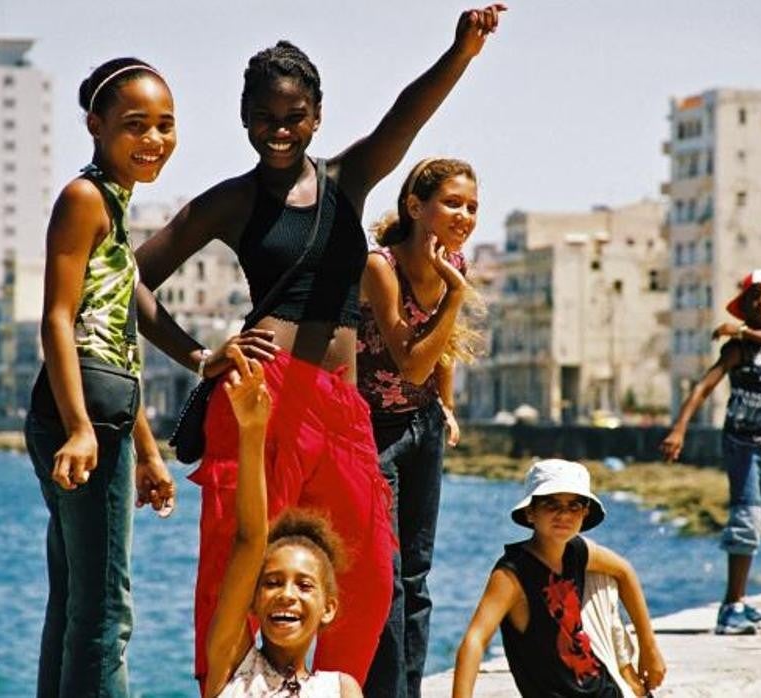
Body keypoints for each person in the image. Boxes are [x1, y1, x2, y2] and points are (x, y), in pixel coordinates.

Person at [133, 6, 506, 690]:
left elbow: (407, 118)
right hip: (262, 402)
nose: (279, 130)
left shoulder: (347, 180)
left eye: (294, 115)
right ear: (245, 116)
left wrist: (462, 52)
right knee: (238, 566)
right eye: (265, 117)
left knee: (368, 573)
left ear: (317, 116)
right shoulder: (231, 201)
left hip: (341, 408)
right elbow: (131, 280)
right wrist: (200, 355)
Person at [23, 57, 178, 697]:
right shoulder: (85, 199)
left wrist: (147, 450)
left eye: (165, 125)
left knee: (77, 601)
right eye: (135, 125)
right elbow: (57, 321)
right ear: (96, 124)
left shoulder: (113, 208)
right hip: (81, 422)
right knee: (106, 611)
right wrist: (82, 428)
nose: (153, 140)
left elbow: (114, 340)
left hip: (103, 417)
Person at [358, 157, 485, 697]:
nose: (465, 216)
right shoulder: (379, 266)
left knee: (417, 574)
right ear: (415, 206)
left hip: (422, 425)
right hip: (372, 433)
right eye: (452, 203)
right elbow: (409, 359)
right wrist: (455, 295)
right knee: (383, 578)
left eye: (472, 207)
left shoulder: (452, 260)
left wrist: (448, 405)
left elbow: (443, 346)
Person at [202, 346, 362, 698]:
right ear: (252, 601)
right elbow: (249, 539)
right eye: (272, 582)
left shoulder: (340, 688)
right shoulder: (234, 668)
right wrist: (253, 431)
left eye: (305, 586)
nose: (287, 595)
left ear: (328, 607)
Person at [659, 268, 761, 635]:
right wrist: (679, 429)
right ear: (744, 304)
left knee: (758, 519)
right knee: (746, 519)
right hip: (742, 442)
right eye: (754, 296)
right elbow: (703, 388)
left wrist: (743, 328)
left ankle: (739, 601)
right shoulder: (737, 349)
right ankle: (730, 609)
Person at [453, 459, 667, 698]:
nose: (563, 514)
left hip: (605, 689)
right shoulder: (512, 574)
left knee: (604, 576)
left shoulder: (577, 551)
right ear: (530, 512)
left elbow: (625, 571)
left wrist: (649, 650)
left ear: (585, 513)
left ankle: (628, 680)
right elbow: (475, 640)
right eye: (551, 504)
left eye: (574, 506)